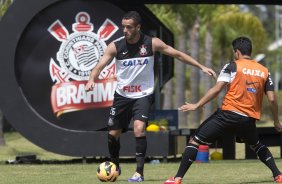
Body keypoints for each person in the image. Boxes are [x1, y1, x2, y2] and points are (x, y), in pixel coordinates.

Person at [85, 11, 216, 182]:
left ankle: (139, 173)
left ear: (138, 27)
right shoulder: (115, 46)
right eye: (123, 26)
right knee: (113, 134)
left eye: (129, 27)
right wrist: (91, 79)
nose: (124, 30)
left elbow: (177, 54)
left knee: (139, 129)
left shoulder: (152, 43)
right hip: (122, 95)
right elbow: (99, 65)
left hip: (143, 95)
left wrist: (201, 67)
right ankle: (115, 165)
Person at [164, 36, 282, 184]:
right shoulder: (264, 71)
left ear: (237, 52)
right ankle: (278, 175)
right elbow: (272, 99)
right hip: (248, 119)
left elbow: (217, 89)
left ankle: (177, 178)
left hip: (228, 115)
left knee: (195, 141)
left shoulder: (232, 66)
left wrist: (197, 105)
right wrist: (276, 121)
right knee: (256, 145)